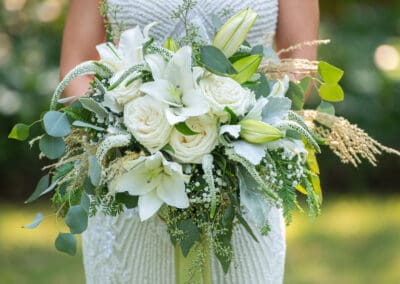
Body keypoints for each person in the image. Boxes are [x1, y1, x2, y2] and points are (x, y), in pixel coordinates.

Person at [60, 0, 319, 283]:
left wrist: (226, 137)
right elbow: (77, 67)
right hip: (133, 180)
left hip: (240, 185)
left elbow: (299, 66)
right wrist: (133, 132)